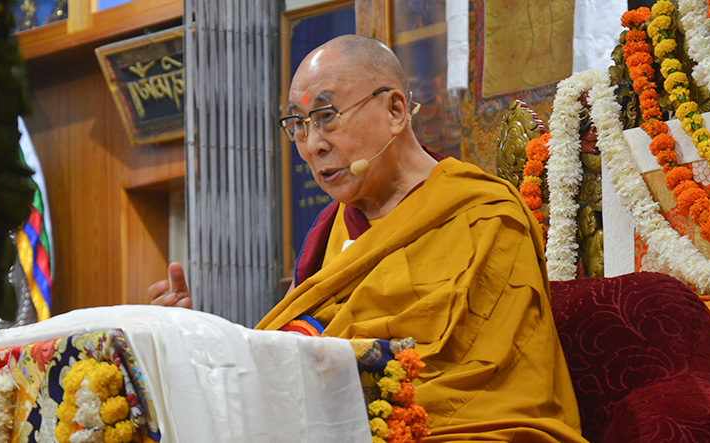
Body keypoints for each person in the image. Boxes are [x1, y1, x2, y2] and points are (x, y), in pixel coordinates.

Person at [149, 35, 588, 443]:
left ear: (396, 111)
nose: (311, 145)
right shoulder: (328, 232)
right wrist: (196, 334)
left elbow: (493, 381)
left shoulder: (485, 216)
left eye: (325, 117)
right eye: (298, 124)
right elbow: (300, 350)